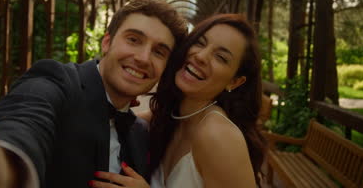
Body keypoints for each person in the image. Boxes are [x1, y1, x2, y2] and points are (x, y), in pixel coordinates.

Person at [0, 0, 188, 188]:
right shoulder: (55, 81)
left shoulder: (138, 134)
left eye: (159, 52)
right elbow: (22, 125)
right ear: (106, 42)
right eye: (133, 39)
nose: (143, 58)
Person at [93, 14, 266, 187]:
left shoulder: (218, 135)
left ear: (234, 81)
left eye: (220, 57)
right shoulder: (170, 116)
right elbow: (117, 118)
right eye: (200, 43)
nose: (201, 56)